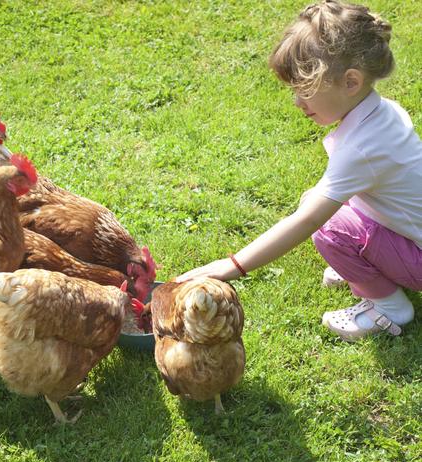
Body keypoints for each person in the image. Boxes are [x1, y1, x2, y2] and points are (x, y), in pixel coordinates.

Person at [176, 0, 422, 341]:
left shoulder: (362, 148)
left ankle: (389, 306)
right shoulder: (382, 112)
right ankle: (369, 269)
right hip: (411, 235)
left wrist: (232, 265)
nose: (297, 101)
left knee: (329, 227)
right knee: (320, 200)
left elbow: (306, 221)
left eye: (304, 88)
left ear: (351, 82)